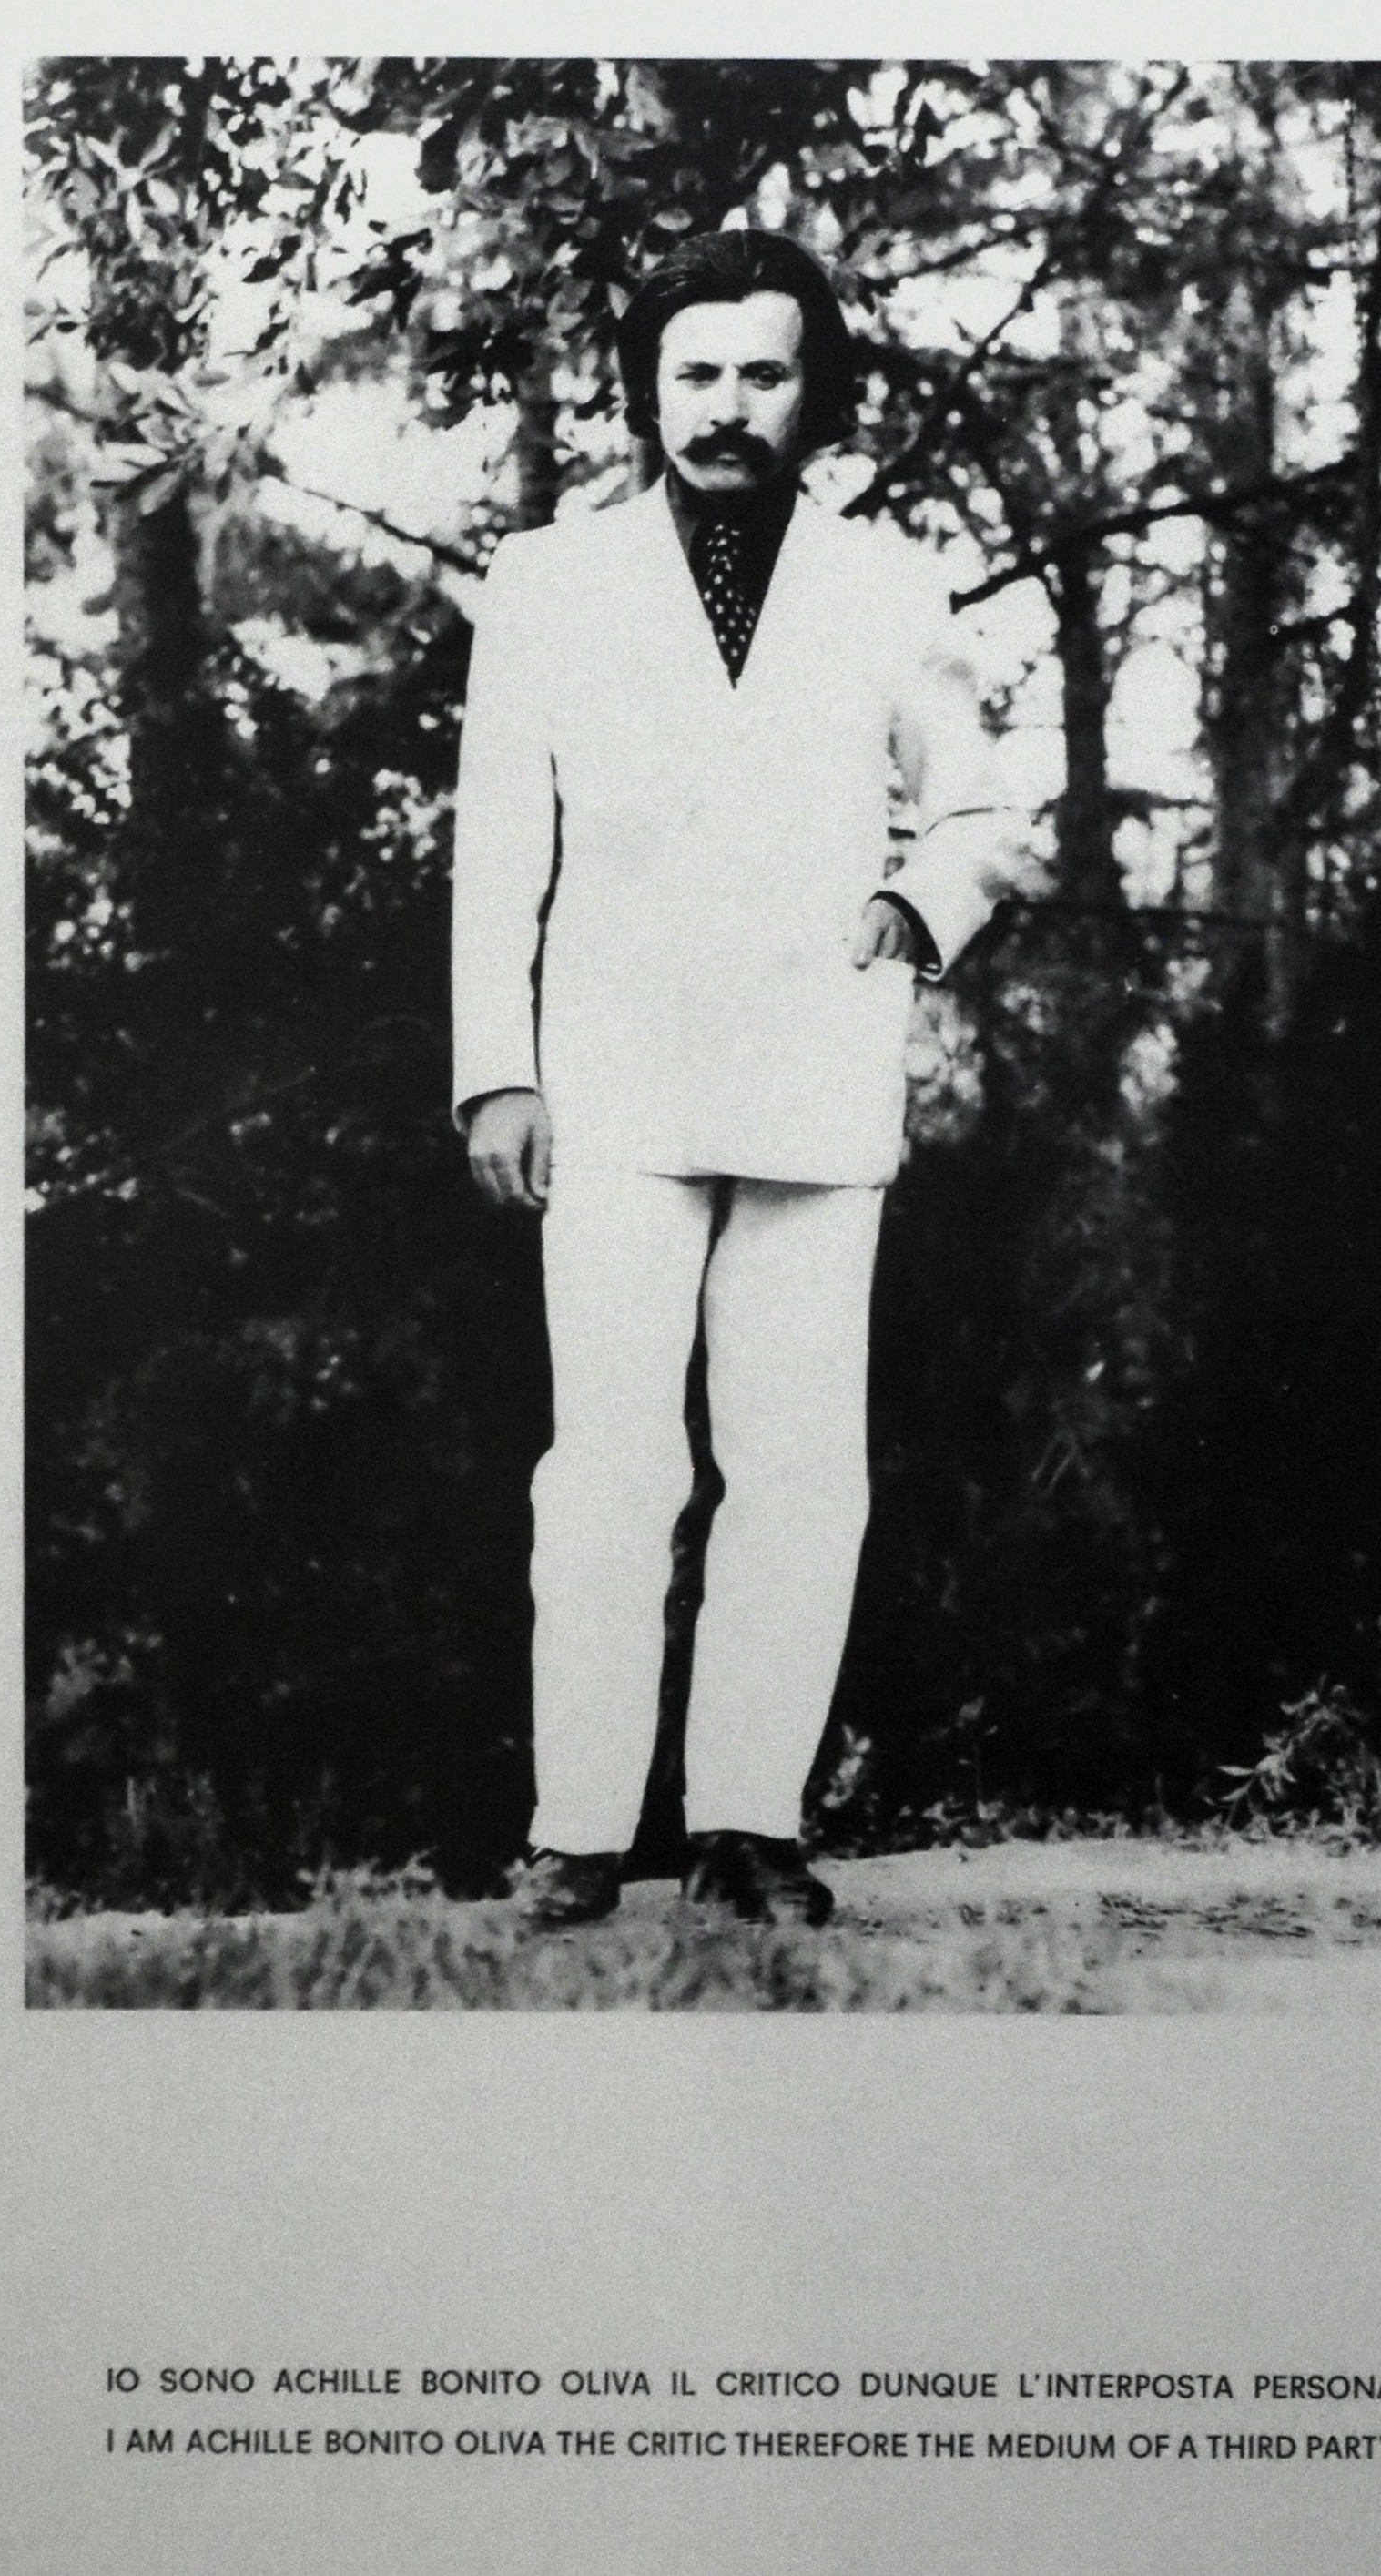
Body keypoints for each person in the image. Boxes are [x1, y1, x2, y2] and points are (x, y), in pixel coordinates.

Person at [452, 229, 1039, 1927]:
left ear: (813, 393)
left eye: (762, 373)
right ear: (648, 389)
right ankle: (578, 1832)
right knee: (609, 1461)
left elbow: (981, 809)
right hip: (613, 1084)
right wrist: (498, 1072)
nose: (724, 405)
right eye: (693, 372)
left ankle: (746, 1830)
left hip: (812, 1063)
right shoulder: (549, 580)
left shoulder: (889, 584)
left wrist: (914, 906)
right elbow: (500, 850)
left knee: (794, 1462)